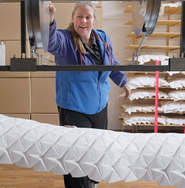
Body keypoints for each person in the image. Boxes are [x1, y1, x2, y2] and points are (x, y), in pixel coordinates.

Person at [48, 1, 131, 188]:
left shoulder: (102, 38)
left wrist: (123, 81)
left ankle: (90, 183)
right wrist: (50, 19)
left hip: (100, 106)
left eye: (87, 17)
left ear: (94, 20)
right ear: (73, 18)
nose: (83, 21)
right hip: (74, 107)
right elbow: (51, 43)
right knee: (75, 156)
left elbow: (111, 63)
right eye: (79, 16)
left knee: (96, 151)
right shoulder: (65, 39)